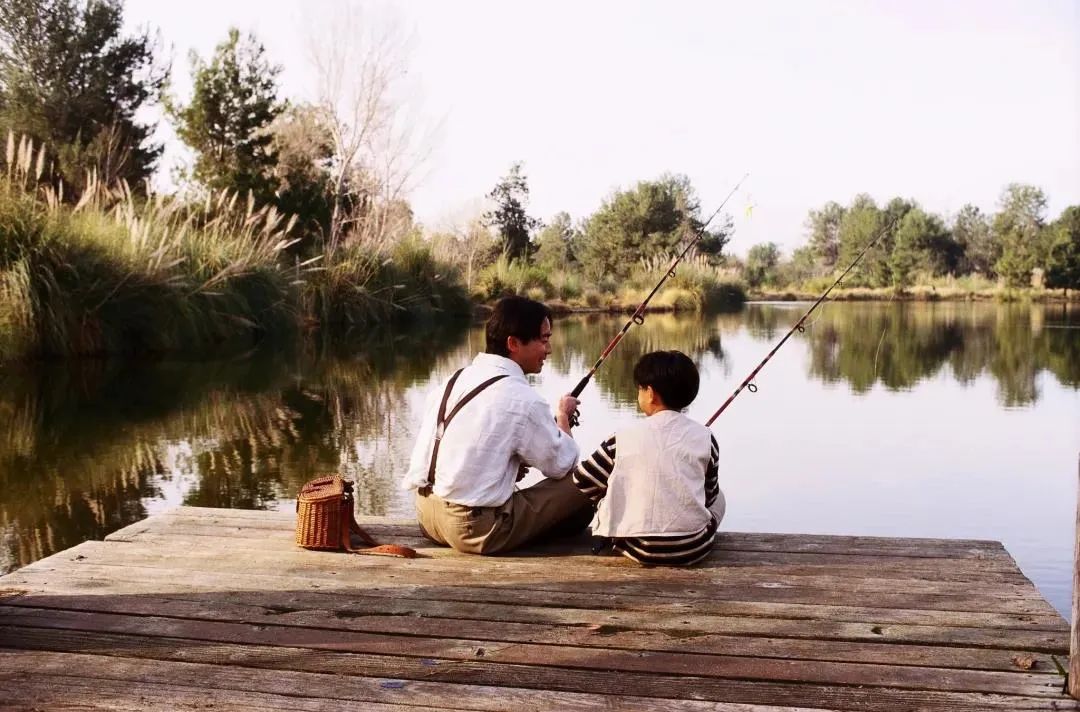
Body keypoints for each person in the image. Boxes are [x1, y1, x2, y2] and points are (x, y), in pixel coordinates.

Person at [404, 295, 593, 554]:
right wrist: (563, 417)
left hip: (427, 516)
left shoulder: (454, 379)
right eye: (544, 339)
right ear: (513, 343)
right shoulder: (522, 398)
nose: (549, 349)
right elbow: (563, 465)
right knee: (589, 480)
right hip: (473, 529)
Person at [573, 350, 724, 565]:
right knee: (721, 498)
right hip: (693, 548)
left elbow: (582, 479)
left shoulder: (621, 438)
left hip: (636, 547)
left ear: (650, 393)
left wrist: (613, 495)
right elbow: (710, 495)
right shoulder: (707, 438)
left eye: (640, 388)